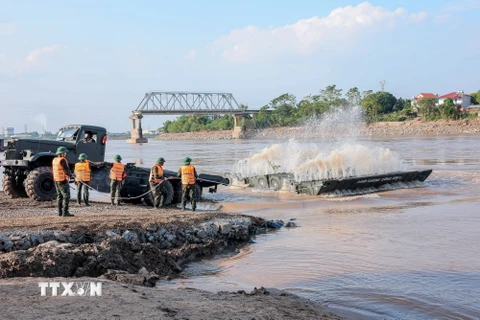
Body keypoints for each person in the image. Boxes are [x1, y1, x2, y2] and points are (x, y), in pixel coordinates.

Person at [52, 146, 75, 217]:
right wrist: (71, 175)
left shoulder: (55, 160)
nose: (65, 154)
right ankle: (65, 212)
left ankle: (59, 212)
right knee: (66, 196)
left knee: (59, 196)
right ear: (61, 153)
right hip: (62, 180)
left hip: (56, 180)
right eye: (65, 152)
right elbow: (66, 170)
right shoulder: (62, 160)